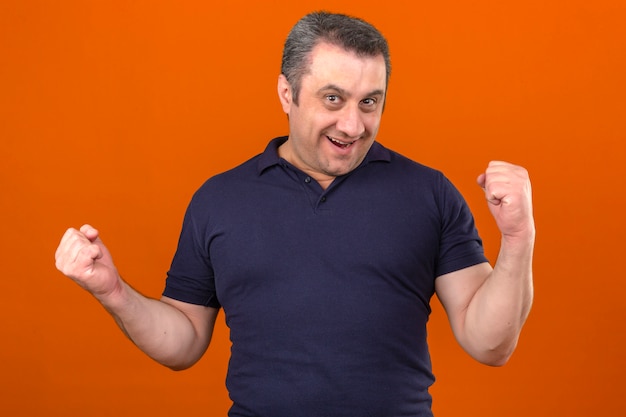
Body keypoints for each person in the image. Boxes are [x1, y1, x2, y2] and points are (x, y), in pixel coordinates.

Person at [55, 11, 534, 417]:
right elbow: (183, 342)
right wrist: (113, 292)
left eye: (370, 102)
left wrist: (517, 239)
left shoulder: (429, 193)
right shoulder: (219, 200)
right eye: (333, 99)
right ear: (287, 93)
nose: (353, 124)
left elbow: (489, 344)